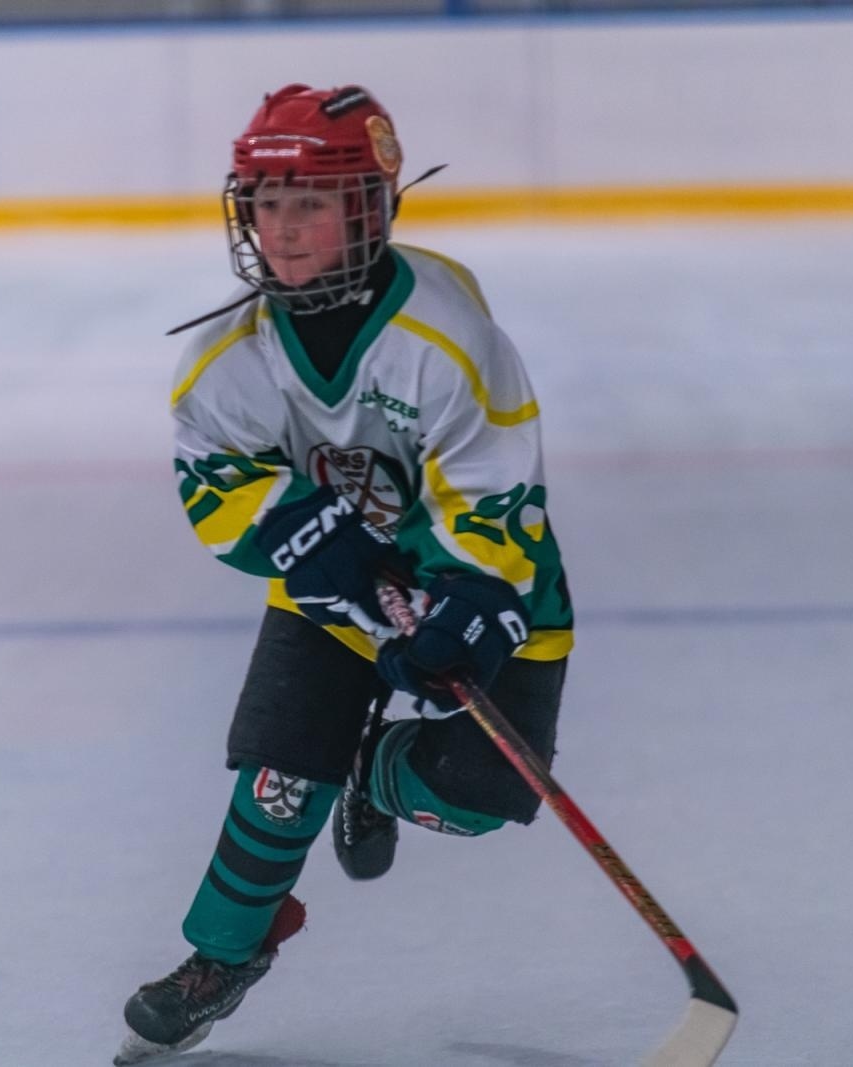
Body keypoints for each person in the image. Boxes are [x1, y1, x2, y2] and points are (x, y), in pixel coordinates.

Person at [115, 83, 573, 1065]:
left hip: (475, 575)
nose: (282, 229)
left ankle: (376, 769)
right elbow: (215, 486)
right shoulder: (227, 365)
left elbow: (496, 505)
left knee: (485, 788)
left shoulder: (446, 340)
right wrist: (312, 543)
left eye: (311, 202)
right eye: (267, 203)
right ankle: (221, 954)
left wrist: (468, 601)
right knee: (282, 781)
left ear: (369, 207)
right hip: (331, 592)